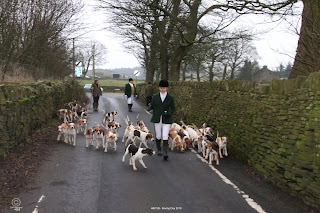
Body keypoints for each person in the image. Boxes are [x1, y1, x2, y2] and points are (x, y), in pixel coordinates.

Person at [149, 80, 175, 161]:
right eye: (161, 88)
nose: (162, 89)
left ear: (167, 88)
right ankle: (159, 149)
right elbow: (152, 105)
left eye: (164, 88)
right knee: (158, 135)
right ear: (159, 88)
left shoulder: (170, 97)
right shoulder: (155, 96)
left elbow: (173, 108)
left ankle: (165, 152)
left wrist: (169, 113)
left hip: (166, 118)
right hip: (157, 118)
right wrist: (149, 108)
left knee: (165, 135)